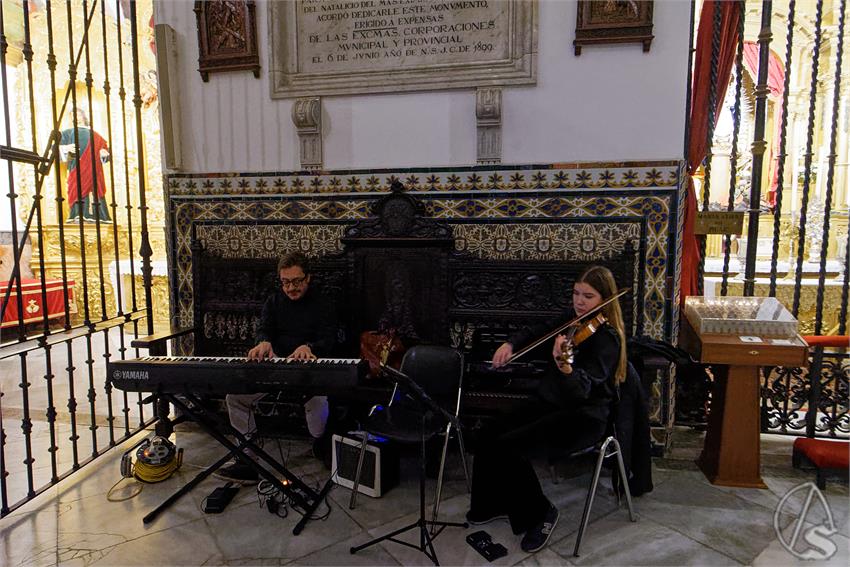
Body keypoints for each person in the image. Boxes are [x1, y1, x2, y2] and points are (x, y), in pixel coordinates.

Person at [467, 265, 628, 553]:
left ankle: (541, 514)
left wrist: (565, 366)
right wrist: (510, 344)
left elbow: (583, 391)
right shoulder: (572, 320)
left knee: (511, 448)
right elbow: (538, 330)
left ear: (604, 299)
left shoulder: (607, 339)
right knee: (486, 433)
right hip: (551, 403)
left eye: (588, 296)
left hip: (583, 416)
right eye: (576, 293)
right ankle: (492, 503)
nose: (579, 301)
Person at [217, 251, 337, 483]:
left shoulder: (324, 303)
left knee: (319, 404)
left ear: (308, 278)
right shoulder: (273, 301)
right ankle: (247, 458)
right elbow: (264, 329)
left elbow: (330, 338)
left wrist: (309, 347)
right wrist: (263, 342)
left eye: (296, 281)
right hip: (276, 370)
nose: (291, 287)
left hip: (310, 373)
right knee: (235, 398)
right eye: (286, 282)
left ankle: (319, 443)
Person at [59, 109, 111, 223]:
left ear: (83, 116)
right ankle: (78, 214)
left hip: (93, 169)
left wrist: (103, 152)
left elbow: (105, 150)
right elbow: (55, 151)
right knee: (77, 187)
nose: (75, 117)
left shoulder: (95, 135)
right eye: (72, 115)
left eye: (77, 114)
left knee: (95, 188)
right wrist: (65, 148)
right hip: (76, 168)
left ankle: (99, 215)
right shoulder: (67, 133)